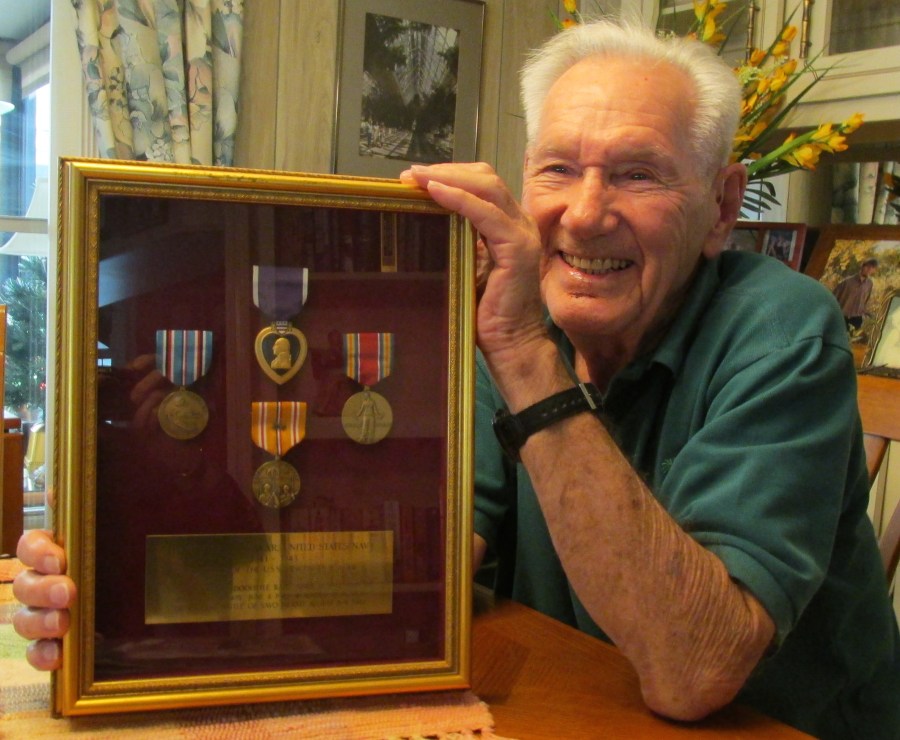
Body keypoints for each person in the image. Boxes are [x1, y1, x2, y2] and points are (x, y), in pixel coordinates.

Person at [12, 17, 900, 739]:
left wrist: (521, 352)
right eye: (558, 169)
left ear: (722, 205)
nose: (585, 213)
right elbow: (405, 578)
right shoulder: (500, 323)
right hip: (580, 701)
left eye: (638, 174)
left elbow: (693, 671)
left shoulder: (781, 328)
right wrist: (128, 583)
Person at [833, 257, 879, 337]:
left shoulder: (869, 284)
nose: (869, 269)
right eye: (868, 266)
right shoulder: (847, 281)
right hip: (842, 316)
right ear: (862, 266)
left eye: (872, 268)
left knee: (850, 341)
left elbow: (865, 301)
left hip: (857, 319)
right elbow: (833, 297)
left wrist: (868, 313)